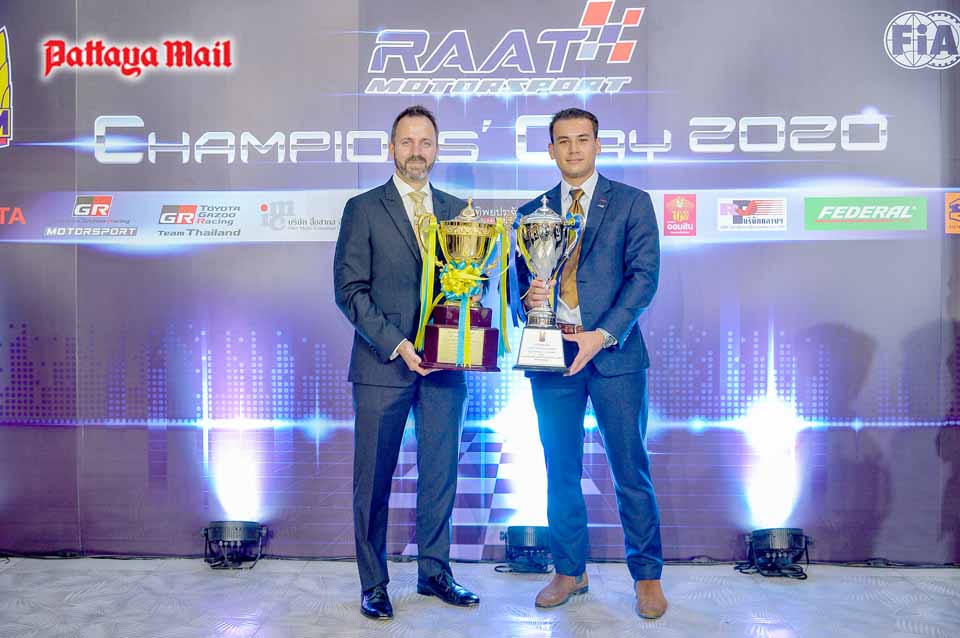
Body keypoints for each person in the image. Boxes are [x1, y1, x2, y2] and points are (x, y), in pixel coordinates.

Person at [515, 107, 667, 619]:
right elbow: (518, 293)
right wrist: (530, 300)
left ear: (598, 145)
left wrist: (601, 336)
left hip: (614, 354)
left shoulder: (632, 203)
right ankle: (568, 570)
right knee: (560, 469)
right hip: (553, 355)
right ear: (550, 150)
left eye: (583, 139)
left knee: (630, 469)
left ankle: (647, 576)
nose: (574, 148)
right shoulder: (531, 213)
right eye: (563, 141)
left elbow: (644, 278)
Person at [333, 105, 479, 620]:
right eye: (407, 142)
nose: (417, 151)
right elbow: (350, 290)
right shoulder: (363, 209)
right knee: (373, 480)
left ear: (437, 149)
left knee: (440, 473)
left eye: (426, 142)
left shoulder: (460, 211)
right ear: (391, 148)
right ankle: (374, 583)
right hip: (383, 365)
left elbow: (473, 286)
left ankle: (435, 572)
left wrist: (462, 334)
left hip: (445, 368)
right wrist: (398, 343)